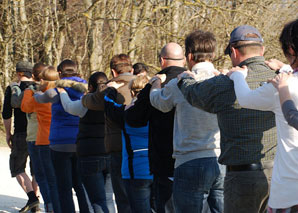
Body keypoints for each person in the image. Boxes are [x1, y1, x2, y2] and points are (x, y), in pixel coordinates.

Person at [177, 25, 276, 213]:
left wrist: (185, 78)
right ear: (262, 50)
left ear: (233, 51)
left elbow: (194, 94)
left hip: (242, 178)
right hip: (279, 174)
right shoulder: (279, 79)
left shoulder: (225, 83)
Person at [149, 30, 224, 212]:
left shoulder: (180, 82)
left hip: (189, 160)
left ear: (189, 56)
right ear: (213, 55)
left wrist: (155, 83)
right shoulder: (223, 80)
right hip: (221, 160)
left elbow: (159, 103)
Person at [227, 19, 298, 212]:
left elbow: (246, 99)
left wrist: (237, 77)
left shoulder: (281, 86)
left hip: (289, 186)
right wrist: (284, 66)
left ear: (291, 49)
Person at [125, 43, 187, 212]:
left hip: (164, 159)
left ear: (161, 61)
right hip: (196, 156)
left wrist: (133, 104)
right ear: (184, 59)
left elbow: (134, 119)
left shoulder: (156, 83)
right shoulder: (195, 80)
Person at [34, 59, 89, 213]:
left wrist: (38, 90)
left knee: (64, 187)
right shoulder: (84, 89)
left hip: (60, 143)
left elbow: (39, 98)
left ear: (59, 73)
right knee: (80, 185)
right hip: (80, 141)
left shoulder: (57, 91)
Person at [81, 54, 134, 213]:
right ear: (131, 69)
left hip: (117, 147)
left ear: (113, 71)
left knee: (123, 199)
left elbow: (89, 101)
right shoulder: (145, 84)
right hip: (145, 148)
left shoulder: (110, 89)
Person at [56, 72, 115, 213]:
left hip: (90, 155)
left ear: (90, 87)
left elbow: (69, 107)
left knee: (96, 200)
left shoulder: (87, 102)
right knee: (108, 199)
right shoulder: (115, 101)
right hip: (111, 153)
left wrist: (62, 93)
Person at [104, 75, 153, 213]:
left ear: (132, 93)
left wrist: (111, 89)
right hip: (159, 169)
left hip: (134, 171)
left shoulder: (126, 113)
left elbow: (108, 104)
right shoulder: (160, 112)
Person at [20, 65, 61, 213]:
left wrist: (28, 92)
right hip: (60, 139)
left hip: (43, 139)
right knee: (57, 176)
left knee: (43, 175)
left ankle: (50, 206)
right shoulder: (62, 92)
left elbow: (25, 107)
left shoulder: (40, 96)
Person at [2, 61, 40, 212]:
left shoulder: (12, 89)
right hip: (39, 133)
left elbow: (6, 114)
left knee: (17, 167)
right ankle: (35, 204)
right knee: (36, 169)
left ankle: (32, 199)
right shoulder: (40, 87)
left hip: (21, 133)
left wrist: (8, 133)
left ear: (19, 73)